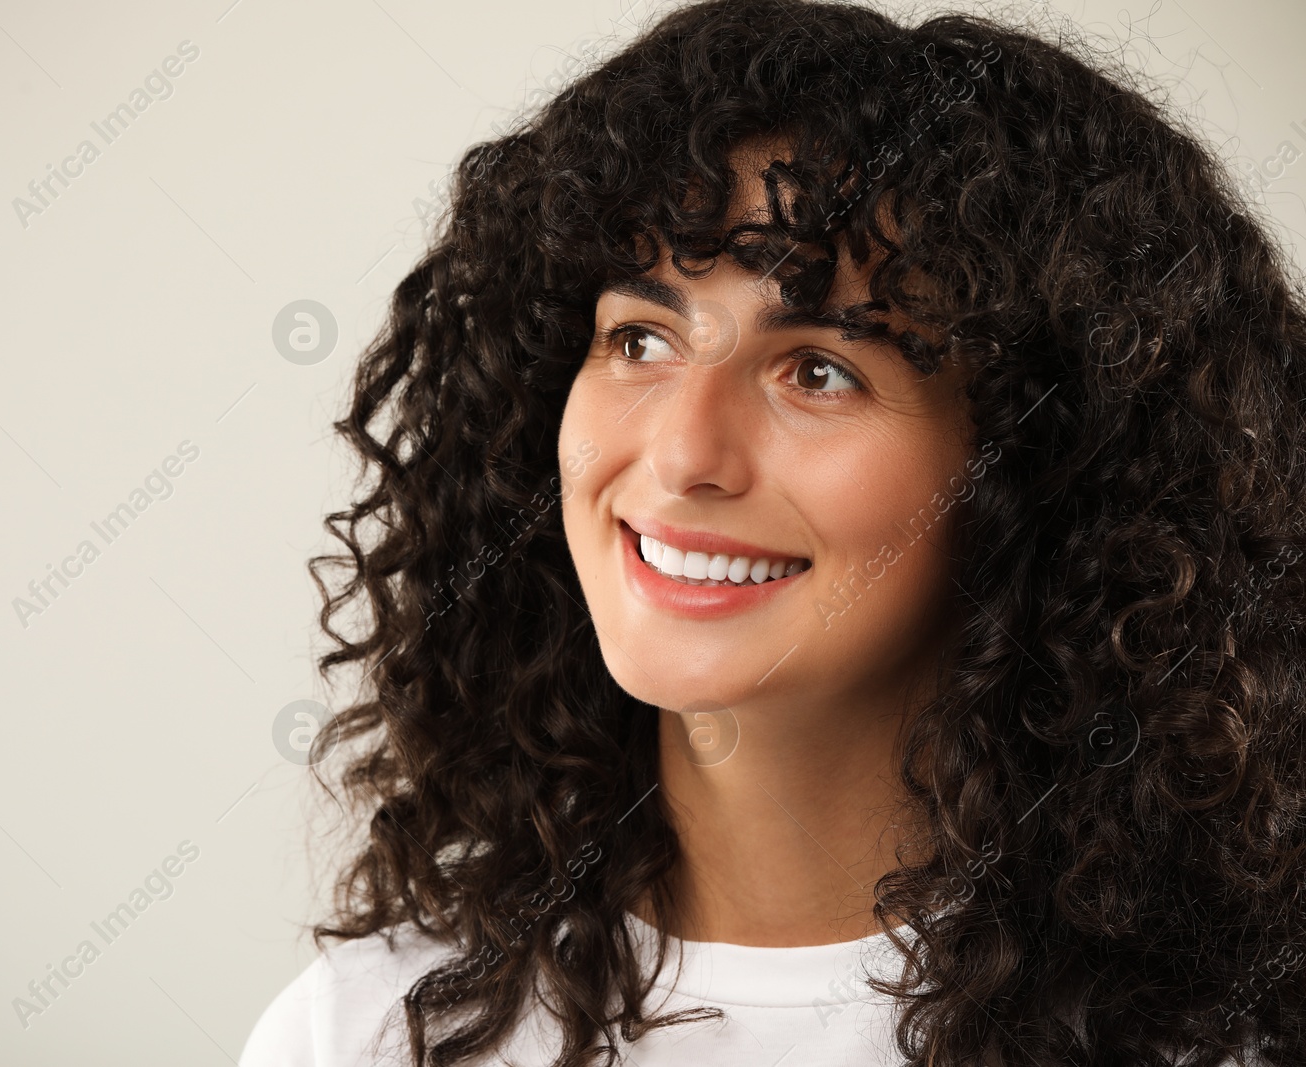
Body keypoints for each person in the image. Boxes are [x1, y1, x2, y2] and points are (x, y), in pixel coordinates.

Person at [239, 0, 1306, 1063]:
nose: (679, 453)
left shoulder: (1229, 1040)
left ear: (1035, 467)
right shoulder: (370, 1032)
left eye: (818, 370)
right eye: (641, 339)